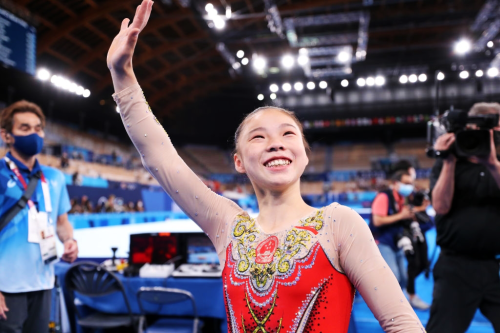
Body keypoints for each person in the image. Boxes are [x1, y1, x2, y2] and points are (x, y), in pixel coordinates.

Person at [106, 1, 424, 331]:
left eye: (288, 133)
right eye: (258, 137)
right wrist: (122, 75)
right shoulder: (227, 225)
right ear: (239, 162)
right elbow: (159, 157)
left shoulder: (339, 224)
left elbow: (401, 322)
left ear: (304, 152)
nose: (276, 142)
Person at [0, 100, 78, 333]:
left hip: (43, 283)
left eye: (38, 128)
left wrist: (70, 241)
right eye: (25, 128)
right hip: (7, 288)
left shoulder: (54, 177)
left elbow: (61, 222)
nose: (34, 134)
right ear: (7, 135)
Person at [426, 102, 500, 332]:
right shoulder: (449, 159)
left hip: (492, 265)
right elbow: (440, 206)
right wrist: (449, 161)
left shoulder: (497, 162)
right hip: (454, 267)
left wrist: (492, 164)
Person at [391, 160, 432, 310]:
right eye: (410, 174)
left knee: (423, 264)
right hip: (405, 233)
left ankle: (407, 289)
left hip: (418, 230)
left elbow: (416, 210)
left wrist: (421, 206)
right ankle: (411, 294)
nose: (411, 183)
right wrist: (417, 209)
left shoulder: (413, 193)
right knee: (413, 263)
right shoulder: (395, 194)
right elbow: (403, 212)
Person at [370, 170, 414, 291]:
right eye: (406, 183)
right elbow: (377, 221)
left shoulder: (403, 198)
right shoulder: (383, 197)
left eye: (411, 183)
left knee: (404, 279)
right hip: (382, 240)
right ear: (396, 183)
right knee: (393, 277)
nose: (409, 186)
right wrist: (401, 216)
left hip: (396, 240)